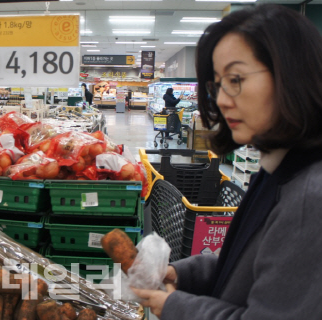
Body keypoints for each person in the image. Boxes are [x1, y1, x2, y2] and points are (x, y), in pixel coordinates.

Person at [132, 4, 322, 319]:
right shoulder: (280, 169)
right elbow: (250, 258)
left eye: (236, 79)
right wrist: (181, 274)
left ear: (291, 74)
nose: (220, 99)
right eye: (217, 84)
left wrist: (174, 306)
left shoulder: (309, 198)